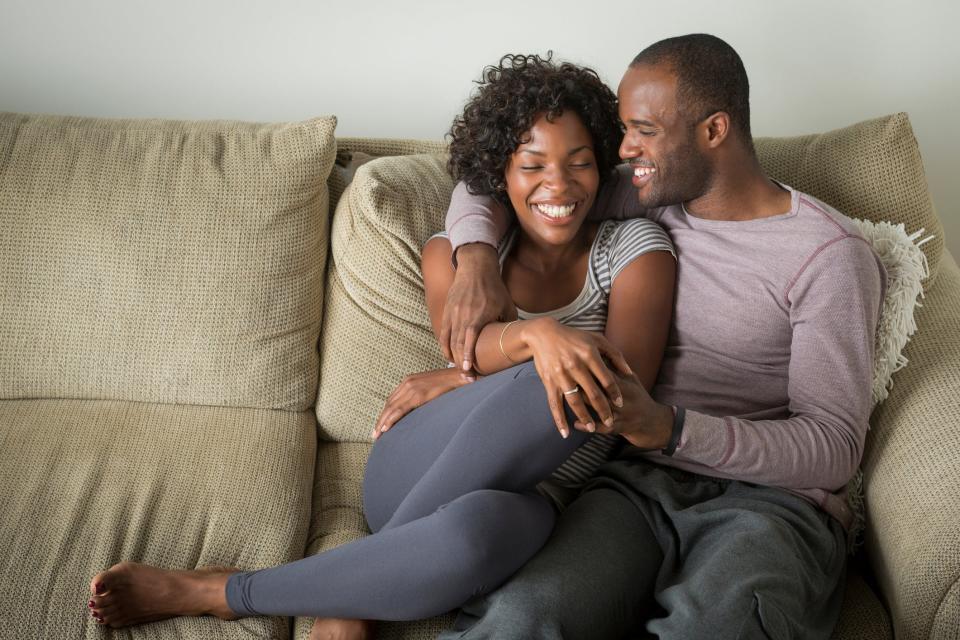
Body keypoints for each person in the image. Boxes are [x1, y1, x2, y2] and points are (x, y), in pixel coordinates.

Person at [84, 54, 677, 638]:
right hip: (421, 464)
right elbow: (471, 351)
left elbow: (617, 401)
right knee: (556, 371)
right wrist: (536, 335)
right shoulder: (455, 254)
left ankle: (342, 591)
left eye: (580, 163)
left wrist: (477, 367)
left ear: (603, 167)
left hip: (545, 494)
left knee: (480, 530)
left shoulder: (634, 249)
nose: (560, 185)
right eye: (532, 165)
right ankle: (233, 594)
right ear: (501, 173)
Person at [438, 34, 886, 639]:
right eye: (623, 130)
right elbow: (490, 178)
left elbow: (833, 448)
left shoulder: (827, 257)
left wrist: (670, 429)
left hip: (771, 507)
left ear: (714, 130)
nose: (623, 150)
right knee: (521, 619)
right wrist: (476, 260)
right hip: (632, 490)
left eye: (642, 130)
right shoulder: (648, 195)